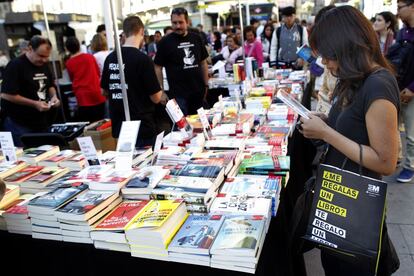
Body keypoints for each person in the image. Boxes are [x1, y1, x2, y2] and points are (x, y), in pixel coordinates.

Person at [300, 6, 399, 275]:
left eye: (328, 56)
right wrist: (325, 120)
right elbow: (354, 127)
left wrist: (326, 133)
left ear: (346, 46)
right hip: (338, 200)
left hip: (356, 209)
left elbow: (386, 161)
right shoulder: (352, 79)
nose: (325, 64)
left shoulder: (378, 85)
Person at [101, 15, 163, 147]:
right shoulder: (143, 59)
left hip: (120, 126)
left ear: (125, 33)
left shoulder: (111, 58)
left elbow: (104, 91)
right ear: (141, 31)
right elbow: (156, 98)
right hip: (142, 126)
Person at [0, 35, 60, 146]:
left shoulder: (45, 65)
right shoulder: (15, 65)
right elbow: (6, 95)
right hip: (20, 124)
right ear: (30, 49)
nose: (44, 60)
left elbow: (50, 85)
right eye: (40, 56)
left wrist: (54, 97)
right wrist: (34, 104)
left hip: (41, 122)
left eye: (46, 56)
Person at [154, 7, 209, 116]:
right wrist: (161, 91)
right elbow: (157, 67)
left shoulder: (196, 38)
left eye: (181, 22)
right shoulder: (165, 42)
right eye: (174, 23)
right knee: (182, 129)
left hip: (198, 92)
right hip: (178, 96)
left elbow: (203, 63)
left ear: (187, 22)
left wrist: (206, 85)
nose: (177, 26)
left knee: (201, 126)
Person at [65, 36, 106, 123]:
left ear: (67, 49)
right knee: (101, 123)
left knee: (88, 125)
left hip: (82, 97)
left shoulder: (69, 63)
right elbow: (98, 73)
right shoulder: (90, 57)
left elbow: (72, 79)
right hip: (96, 92)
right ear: (79, 45)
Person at [395, 0, 414, 182]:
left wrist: (411, 89)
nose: (398, 11)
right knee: (395, 127)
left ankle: (410, 166)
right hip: (399, 88)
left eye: (401, 7)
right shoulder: (403, 32)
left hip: (411, 91)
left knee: (411, 133)